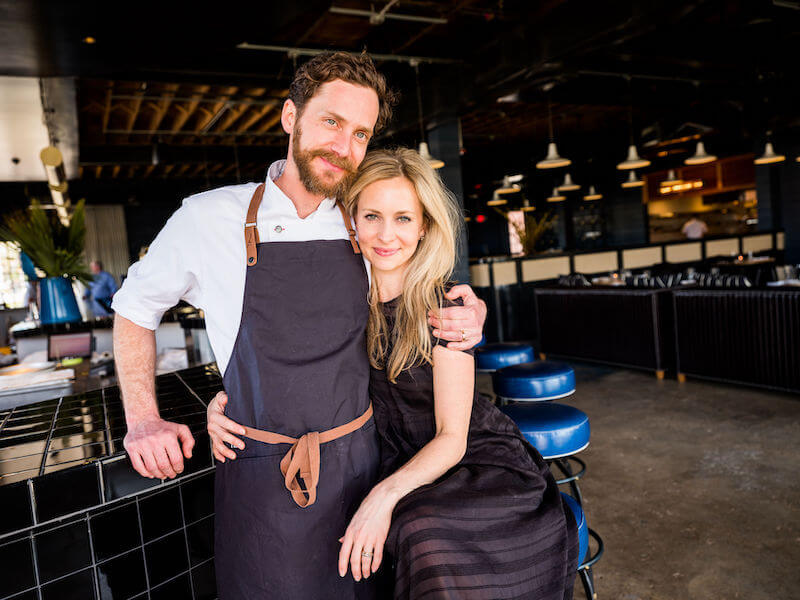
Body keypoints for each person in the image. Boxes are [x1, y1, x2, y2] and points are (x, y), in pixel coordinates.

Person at [112, 52, 486, 600]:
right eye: (332, 122)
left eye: (360, 133)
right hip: (258, 477)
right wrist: (145, 418)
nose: (344, 146)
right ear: (291, 117)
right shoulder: (208, 217)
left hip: (362, 467)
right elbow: (133, 310)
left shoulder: (363, 218)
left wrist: (469, 312)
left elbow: (422, 293)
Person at [210, 148, 578, 599]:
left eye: (404, 218)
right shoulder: (334, 302)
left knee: (422, 534)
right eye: (372, 216)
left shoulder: (446, 310)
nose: (387, 235)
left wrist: (382, 498)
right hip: (381, 459)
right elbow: (272, 361)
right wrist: (224, 403)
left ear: (423, 226)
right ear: (350, 219)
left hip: (469, 461)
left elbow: (452, 438)